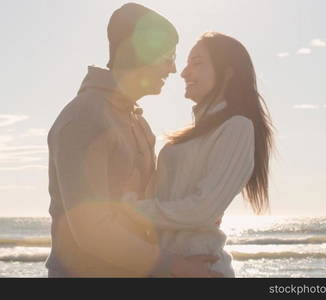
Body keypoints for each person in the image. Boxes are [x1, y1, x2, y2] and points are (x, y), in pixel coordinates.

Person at [46, 3, 220, 277]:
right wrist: (177, 267)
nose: (174, 69)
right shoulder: (85, 118)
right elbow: (93, 231)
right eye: (168, 56)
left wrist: (195, 216)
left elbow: (144, 210)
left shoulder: (137, 122)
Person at [121, 32, 275, 277]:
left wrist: (131, 209)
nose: (184, 72)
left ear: (228, 72)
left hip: (202, 267)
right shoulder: (194, 134)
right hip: (172, 267)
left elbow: (203, 208)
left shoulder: (237, 127)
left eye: (197, 63)